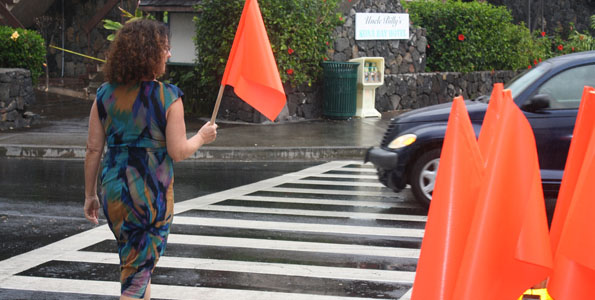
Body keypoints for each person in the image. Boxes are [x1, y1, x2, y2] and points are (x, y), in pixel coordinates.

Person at [83, 19, 217, 300]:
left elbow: (93, 149)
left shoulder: (104, 95)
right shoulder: (167, 97)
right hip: (149, 195)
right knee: (135, 278)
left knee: (136, 266)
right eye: (165, 48)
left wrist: (90, 195)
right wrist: (202, 137)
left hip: (114, 192)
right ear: (148, 53)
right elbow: (178, 151)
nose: (169, 54)